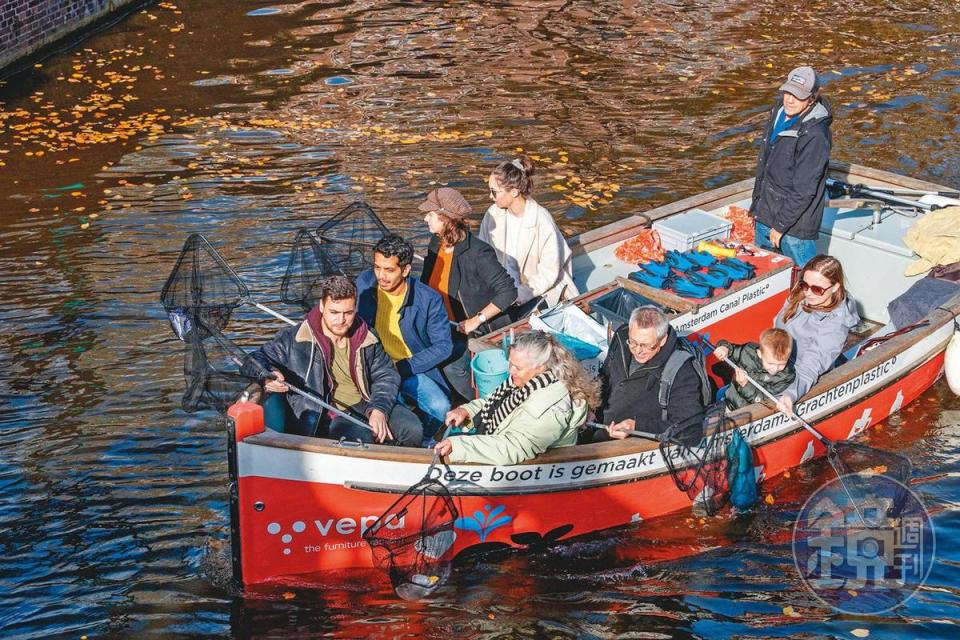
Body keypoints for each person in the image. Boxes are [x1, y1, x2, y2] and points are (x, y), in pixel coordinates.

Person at [241, 275, 423, 446]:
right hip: (327, 415)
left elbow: (386, 375)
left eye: (348, 313)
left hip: (367, 403)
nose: (341, 320)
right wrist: (266, 376)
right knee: (362, 440)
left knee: (412, 429)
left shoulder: (368, 336)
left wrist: (379, 409)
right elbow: (252, 360)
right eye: (334, 312)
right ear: (322, 306)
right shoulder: (294, 338)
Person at [434, 331, 598, 465]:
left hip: (532, 469)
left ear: (541, 368)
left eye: (517, 367)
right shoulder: (524, 382)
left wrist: (459, 447)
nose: (510, 371)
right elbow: (491, 402)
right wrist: (466, 410)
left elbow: (514, 448)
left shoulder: (553, 408)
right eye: (510, 363)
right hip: (498, 442)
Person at [419, 187, 518, 401]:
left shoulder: (477, 252)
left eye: (431, 213)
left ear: (445, 218)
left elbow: (508, 291)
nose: (425, 217)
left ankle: (482, 405)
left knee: (452, 366)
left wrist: (476, 320)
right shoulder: (436, 243)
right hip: (442, 324)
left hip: (472, 331)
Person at [356, 235, 452, 443]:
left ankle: (421, 437)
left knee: (441, 407)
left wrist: (404, 367)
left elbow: (444, 346)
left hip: (409, 367)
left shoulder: (429, 299)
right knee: (388, 409)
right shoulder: (364, 283)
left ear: (406, 270)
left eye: (389, 270)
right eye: (377, 267)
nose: (381, 276)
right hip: (373, 366)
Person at [587, 306, 710, 444]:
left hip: (630, 445)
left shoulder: (681, 370)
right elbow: (604, 376)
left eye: (646, 345)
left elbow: (690, 431)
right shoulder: (621, 338)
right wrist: (590, 406)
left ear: (663, 340)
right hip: (595, 425)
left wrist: (636, 427)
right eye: (633, 342)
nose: (638, 351)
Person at [750, 65, 833, 268]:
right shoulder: (778, 110)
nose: (790, 99)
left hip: (794, 229)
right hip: (765, 214)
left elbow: (804, 190)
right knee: (763, 275)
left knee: (805, 282)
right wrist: (756, 209)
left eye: (798, 96)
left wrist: (780, 226)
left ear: (813, 97)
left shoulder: (815, 135)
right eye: (788, 92)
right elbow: (765, 163)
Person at [480, 155, 579, 320]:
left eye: (494, 192)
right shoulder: (492, 214)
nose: (490, 196)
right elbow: (483, 254)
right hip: (503, 292)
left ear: (514, 191)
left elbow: (548, 274)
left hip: (542, 292)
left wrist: (517, 296)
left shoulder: (542, 220)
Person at [774, 254, 859, 414]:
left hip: (796, 376)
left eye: (817, 289)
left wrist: (790, 394)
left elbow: (810, 367)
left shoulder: (836, 324)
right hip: (776, 363)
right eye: (804, 284)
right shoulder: (803, 292)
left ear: (835, 287)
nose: (808, 293)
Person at [713, 328, 795, 411]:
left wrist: (745, 385)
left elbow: (764, 401)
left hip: (755, 413)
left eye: (781, 364)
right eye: (770, 363)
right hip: (729, 404)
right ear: (759, 354)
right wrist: (724, 348)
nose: (775, 368)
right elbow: (732, 350)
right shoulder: (748, 351)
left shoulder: (786, 376)